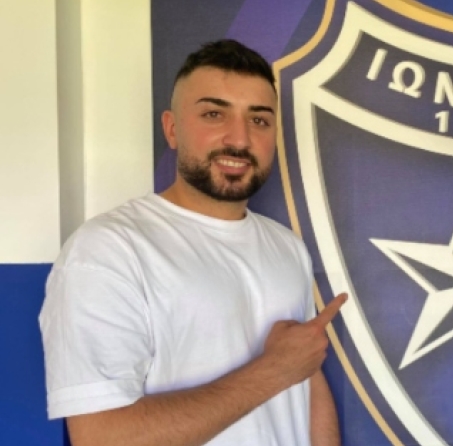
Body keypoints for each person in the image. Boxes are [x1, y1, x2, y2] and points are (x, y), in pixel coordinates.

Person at [39, 39, 346, 446]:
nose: (239, 139)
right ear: (172, 129)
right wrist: (274, 370)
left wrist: (290, 368)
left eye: (259, 119)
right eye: (214, 114)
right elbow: (102, 437)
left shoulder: (286, 246)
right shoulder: (107, 250)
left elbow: (305, 378)